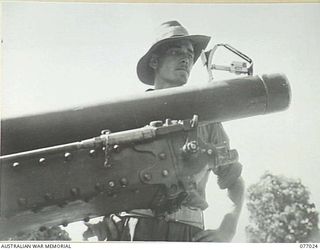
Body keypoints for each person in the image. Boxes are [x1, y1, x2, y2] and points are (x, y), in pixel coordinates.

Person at [83, 20, 245, 242]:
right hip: (133, 230)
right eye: (176, 51)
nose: (186, 58)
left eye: (190, 53)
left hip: (189, 233)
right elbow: (91, 172)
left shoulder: (206, 119)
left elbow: (234, 180)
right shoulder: (129, 113)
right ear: (154, 61)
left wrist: (229, 227)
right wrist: (94, 216)